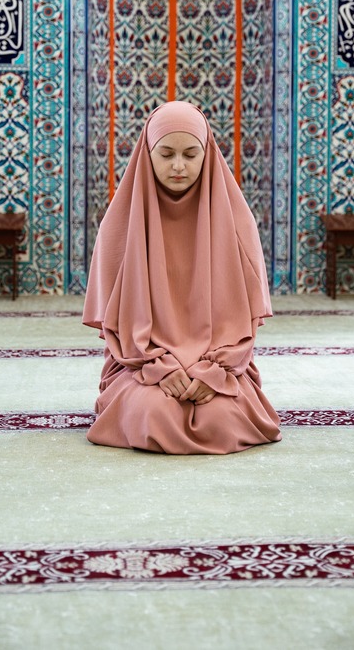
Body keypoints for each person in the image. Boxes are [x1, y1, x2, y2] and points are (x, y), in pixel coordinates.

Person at [82, 100, 281, 454]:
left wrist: (214, 371)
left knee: (220, 418)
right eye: (166, 154)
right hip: (140, 364)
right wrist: (158, 366)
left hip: (221, 368)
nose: (178, 166)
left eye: (191, 154)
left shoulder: (237, 222)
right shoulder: (120, 224)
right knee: (155, 413)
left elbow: (245, 320)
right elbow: (117, 324)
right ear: (147, 154)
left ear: (207, 154)